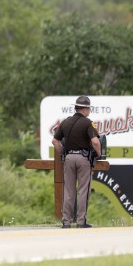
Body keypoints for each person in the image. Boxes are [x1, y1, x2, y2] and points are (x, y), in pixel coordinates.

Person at [52, 96, 101, 229]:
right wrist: (99, 153)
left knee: (68, 191)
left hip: (68, 159)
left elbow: (55, 141)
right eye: (89, 108)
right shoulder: (88, 123)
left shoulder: (65, 122)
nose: (89, 111)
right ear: (85, 109)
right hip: (83, 159)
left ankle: (66, 222)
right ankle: (81, 222)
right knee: (83, 190)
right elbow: (95, 141)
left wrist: (62, 152)